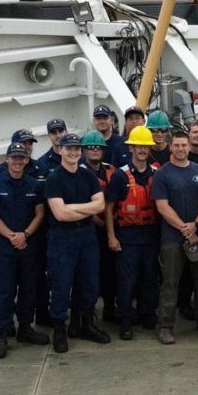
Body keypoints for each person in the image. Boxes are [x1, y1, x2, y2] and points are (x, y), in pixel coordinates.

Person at [44, 133, 110, 353]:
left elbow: (100, 206)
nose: (73, 152)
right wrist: (84, 209)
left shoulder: (87, 175)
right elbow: (60, 214)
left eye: (76, 149)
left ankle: (85, 324)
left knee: (89, 282)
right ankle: (60, 329)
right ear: (60, 150)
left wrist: (72, 207)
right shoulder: (54, 178)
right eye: (69, 148)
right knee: (62, 284)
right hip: (63, 237)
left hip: (87, 236)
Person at [0, 142, 50, 359]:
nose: (18, 161)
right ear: (7, 159)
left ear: (26, 160)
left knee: (29, 288)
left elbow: (39, 214)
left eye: (21, 158)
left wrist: (25, 235)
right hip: (5, 247)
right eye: (14, 157)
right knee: (4, 291)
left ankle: (25, 328)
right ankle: (1, 334)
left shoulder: (34, 185)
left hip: (29, 246)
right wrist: (12, 236)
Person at [152, 130, 198, 344]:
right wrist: (184, 228)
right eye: (176, 145)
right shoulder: (162, 174)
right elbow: (162, 206)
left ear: (189, 147)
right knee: (170, 282)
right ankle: (165, 326)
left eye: (183, 145)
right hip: (172, 237)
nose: (180, 149)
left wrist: (195, 225)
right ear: (171, 148)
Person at [104, 126, 161, 340]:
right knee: (127, 281)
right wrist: (111, 236)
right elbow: (109, 207)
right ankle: (126, 320)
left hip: (151, 235)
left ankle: (148, 314)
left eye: (146, 147)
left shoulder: (156, 173)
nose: (143, 150)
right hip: (127, 236)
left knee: (150, 277)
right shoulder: (120, 176)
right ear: (131, 148)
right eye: (139, 146)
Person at [80, 131, 117, 326]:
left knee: (110, 270)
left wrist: (111, 219)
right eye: (90, 147)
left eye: (98, 147)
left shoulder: (112, 170)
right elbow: (79, 202)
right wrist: (100, 221)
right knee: (88, 273)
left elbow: (118, 197)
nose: (95, 150)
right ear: (84, 150)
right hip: (88, 229)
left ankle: (110, 308)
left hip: (110, 228)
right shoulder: (78, 172)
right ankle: (87, 314)